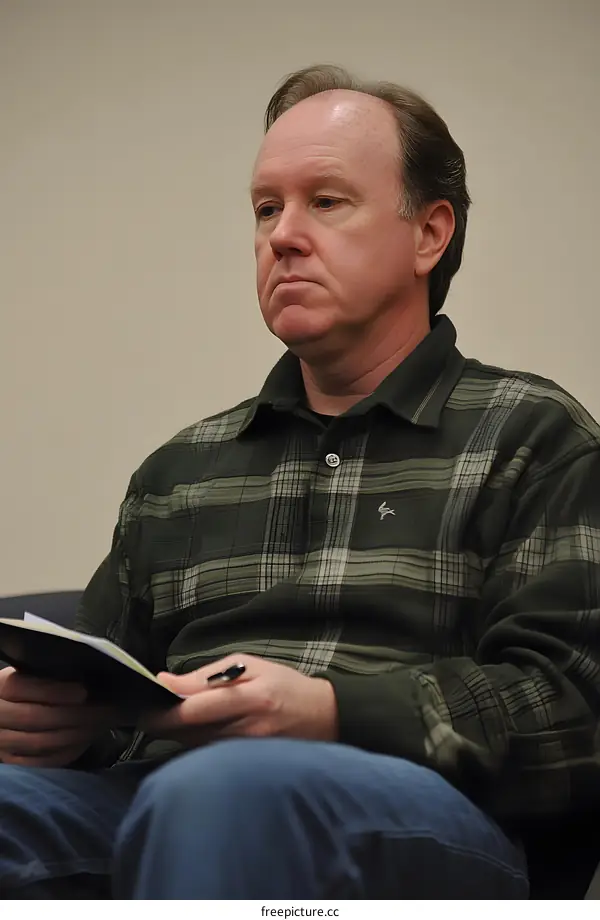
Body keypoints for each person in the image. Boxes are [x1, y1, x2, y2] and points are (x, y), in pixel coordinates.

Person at [1, 63, 599, 900]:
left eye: (325, 201)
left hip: (425, 818)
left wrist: (327, 711)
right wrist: (46, 722)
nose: (282, 235)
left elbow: (572, 712)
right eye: (265, 209)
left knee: (215, 794)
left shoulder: (533, 436)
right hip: (161, 798)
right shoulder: (181, 470)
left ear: (430, 234)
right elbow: (109, 705)